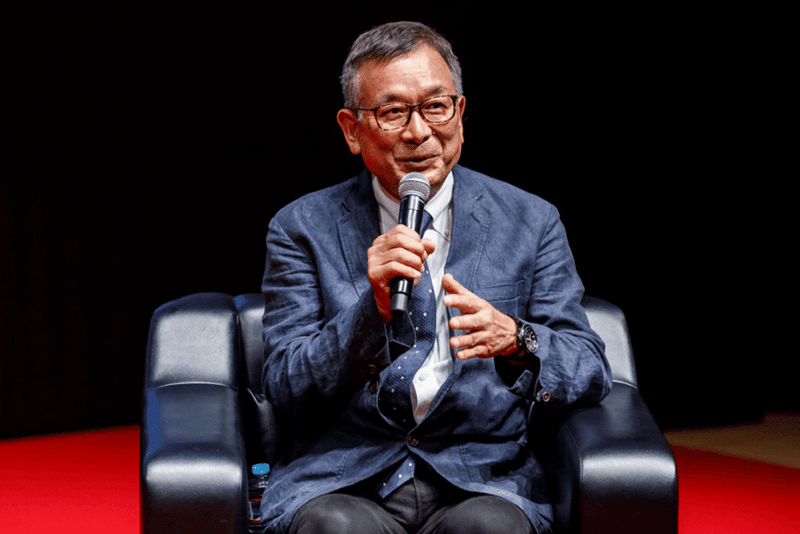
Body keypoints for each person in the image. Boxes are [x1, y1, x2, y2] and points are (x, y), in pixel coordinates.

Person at [259, 21, 612, 534]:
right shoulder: (301, 227)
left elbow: (588, 366)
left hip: (481, 476)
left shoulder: (531, 221)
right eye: (393, 112)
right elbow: (284, 386)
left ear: (460, 114)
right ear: (352, 130)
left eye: (435, 106)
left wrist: (516, 338)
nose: (419, 132)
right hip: (345, 478)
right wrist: (370, 314)